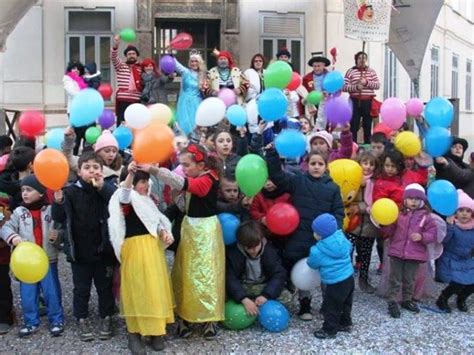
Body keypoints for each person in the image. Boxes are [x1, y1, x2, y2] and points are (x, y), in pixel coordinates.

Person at [144, 144, 224, 339]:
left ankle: (209, 318)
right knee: (186, 272)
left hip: (206, 232)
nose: (184, 169)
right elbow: (183, 203)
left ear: (201, 164)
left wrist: (154, 170)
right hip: (190, 229)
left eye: (187, 165)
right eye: (182, 165)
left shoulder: (209, 178)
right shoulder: (197, 177)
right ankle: (184, 317)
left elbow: (190, 186)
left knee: (208, 274)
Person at [265, 147, 344, 321]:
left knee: (326, 273)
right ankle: (305, 304)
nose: (316, 167)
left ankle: (328, 306)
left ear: (326, 166)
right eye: (313, 163)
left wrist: (334, 231)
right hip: (299, 237)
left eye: (320, 164)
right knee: (304, 270)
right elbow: (278, 176)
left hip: (322, 241)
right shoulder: (298, 181)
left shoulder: (333, 188)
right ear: (306, 165)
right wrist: (272, 155)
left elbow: (338, 212)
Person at [108, 162, 174, 353]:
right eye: (142, 181)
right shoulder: (126, 198)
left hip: (151, 249)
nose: (146, 185)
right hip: (134, 248)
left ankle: (155, 331)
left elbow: (154, 220)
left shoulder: (148, 199)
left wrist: (163, 232)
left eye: (147, 181)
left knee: (154, 289)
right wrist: (129, 175)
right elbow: (125, 194)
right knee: (137, 289)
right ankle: (134, 332)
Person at [52, 151, 116, 342]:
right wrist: (58, 202)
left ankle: (107, 316)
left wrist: (102, 187)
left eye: (96, 167)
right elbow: (58, 217)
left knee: (105, 286)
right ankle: (81, 317)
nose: (92, 171)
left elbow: (115, 201)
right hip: (79, 251)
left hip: (103, 249)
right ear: (79, 172)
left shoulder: (106, 188)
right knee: (81, 288)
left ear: (102, 170)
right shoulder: (70, 191)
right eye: (87, 168)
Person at [1, 175, 64, 337]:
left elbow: (61, 225)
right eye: (22, 190)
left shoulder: (50, 210)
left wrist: (57, 236)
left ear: (41, 193)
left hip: (48, 258)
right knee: (27, 293)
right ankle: (30, 321)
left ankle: (56, 319)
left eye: (29, 190)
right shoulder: (19, 212)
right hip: (26, 262)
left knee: (52, 291)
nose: (25, 193)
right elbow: (5, 227)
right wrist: (13, 237)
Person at [381, 184, 437, 318]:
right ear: (405, 200)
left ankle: (407, 299)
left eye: (417, 199)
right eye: (410, 198)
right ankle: (393, 301)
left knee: (410, 279)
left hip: (414, 254)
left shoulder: (426, 217)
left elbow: (433, 233)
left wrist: (422, 236)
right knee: (395, 278)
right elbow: (389, 231)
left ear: (422, 201)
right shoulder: (398, 215)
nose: (413, 201)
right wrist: (384, 223)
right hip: (397, 252)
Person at [226, 220, 291, 316]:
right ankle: (252, 305)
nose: (254, 250)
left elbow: (279, 274)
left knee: (287, 297)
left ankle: (257, 306)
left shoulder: (269, 251)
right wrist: (243, 298)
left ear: (261, 240)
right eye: (249, 248)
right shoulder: (234, 253)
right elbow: (230, 278)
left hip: (263, 285)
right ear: (242, 244)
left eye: (256, 246)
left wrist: (266, 295)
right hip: (243, 286)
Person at [307, 213, 354, 339]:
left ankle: (329, 330)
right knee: (345, 302)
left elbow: (312, 264)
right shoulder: (341, 237)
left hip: (335, 282)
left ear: (320, 235)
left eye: (315, 232)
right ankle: (345, 323)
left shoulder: (317, 250)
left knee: (331, 306)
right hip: (349, 278)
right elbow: (349, 248)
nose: (314, 234)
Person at [436, 189, 474, 313]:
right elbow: (445, 241)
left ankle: (461, 298)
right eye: (461, 210)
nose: (464, 214)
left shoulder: (472, 228)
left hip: (466, 260)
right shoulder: (452, 225)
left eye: (468, 211)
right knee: (457, 282)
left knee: (472, 282)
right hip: (450, 260)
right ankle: (443, 298)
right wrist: (449, 227)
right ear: (455, 212)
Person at [347, 151, 379, 293]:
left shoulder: (376, 182)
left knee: (366, 254)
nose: (368, 167)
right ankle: (346, 280)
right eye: (365, 163)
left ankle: (364, 279)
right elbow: (348, 199)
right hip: (353, 224)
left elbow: (375, 203)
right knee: (348, 251)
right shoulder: (353, 180)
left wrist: (360, 207)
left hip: (370, 225)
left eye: (371, 164)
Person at [343, 51, 380, 144]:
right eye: (360, 58)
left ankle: (367, 144)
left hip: (368, 101)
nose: (362, 60)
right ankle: (353, 144)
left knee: (367, 124)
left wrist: (366, 82)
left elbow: (377, 85)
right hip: (354, 101)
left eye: (364, 58)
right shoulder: (351, 71)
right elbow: (344, 87)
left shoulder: (371, 72)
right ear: (356, 60)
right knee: (354, 124)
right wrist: (356, 87)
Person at [111, 35, 143, 126]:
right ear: (126, 56)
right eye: (129, 54)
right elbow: (113, 57)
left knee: (136, 124)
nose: (131, 56)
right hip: (123, 100)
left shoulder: (141, 68)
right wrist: (116, 44)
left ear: (137, 56)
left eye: (133, 54)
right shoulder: (120, 66)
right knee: (122, 124)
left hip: (136, 100)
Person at [174, 51, 206, 136]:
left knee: (195, 124)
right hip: (184, 103)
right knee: (184, 124)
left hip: (197, 102)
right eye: (192, 61)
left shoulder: (203, 75)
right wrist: (170, 53)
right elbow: (176, 64)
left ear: (199, 63)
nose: (194, 63)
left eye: (196, 61)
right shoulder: (186, 72)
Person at [63, 61, 88, 155]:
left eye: (78, 68)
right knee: (75, 136)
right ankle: (73, 155)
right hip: (74, 111)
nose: (76, 70)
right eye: (74, 68)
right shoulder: (67, 79)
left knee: (85, 135)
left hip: (85, 111)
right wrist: (84, 95)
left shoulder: (83, 79)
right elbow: (71, 91)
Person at [302, 56, 331, 130]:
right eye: (314, 66)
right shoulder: (306, 78)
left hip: (327, 103)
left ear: (323, 65)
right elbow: (303, 91)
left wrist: (329, 93)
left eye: (319, 66)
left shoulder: (330, 76)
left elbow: (336, 90)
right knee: (314, 124)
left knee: (327, 123)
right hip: (313, 104)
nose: (316, 68)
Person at [0, 193, 13, 334]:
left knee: (2, 286)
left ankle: (4, 317)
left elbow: (3, 222)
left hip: (1, 255)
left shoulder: (2, 201)